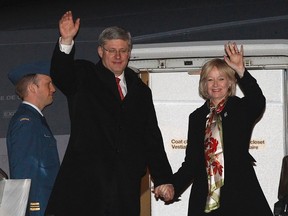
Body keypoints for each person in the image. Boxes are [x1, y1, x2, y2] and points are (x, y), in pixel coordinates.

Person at [45, 11, 174, 216]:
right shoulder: (84, 76)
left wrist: (163, 178)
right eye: (111, 50)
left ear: (129, 53)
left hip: (124, 191)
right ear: (100, 51)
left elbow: (151, 137)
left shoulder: (140, 91)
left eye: (123, 51)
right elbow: (61, 74)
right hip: (85, 189)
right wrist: (67, 39)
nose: (117, 56)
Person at [161, 42, 273, 216]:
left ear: (230, 82)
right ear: (204, 84)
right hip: (205, 200)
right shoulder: (197, 117)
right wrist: (172, 185)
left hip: (240, 196)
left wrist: (241, 70)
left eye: (221, 78)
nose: (215, 84)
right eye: (210, 79)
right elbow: (191, 163)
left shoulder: (240, 108)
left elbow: (258, 101)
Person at [6, 61, 60, 216]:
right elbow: (25, 171)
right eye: (48, 84)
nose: (53, 89)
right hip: (39, 208)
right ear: (32, 88)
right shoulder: (27, 123)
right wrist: (33, 209)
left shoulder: (34, 119)